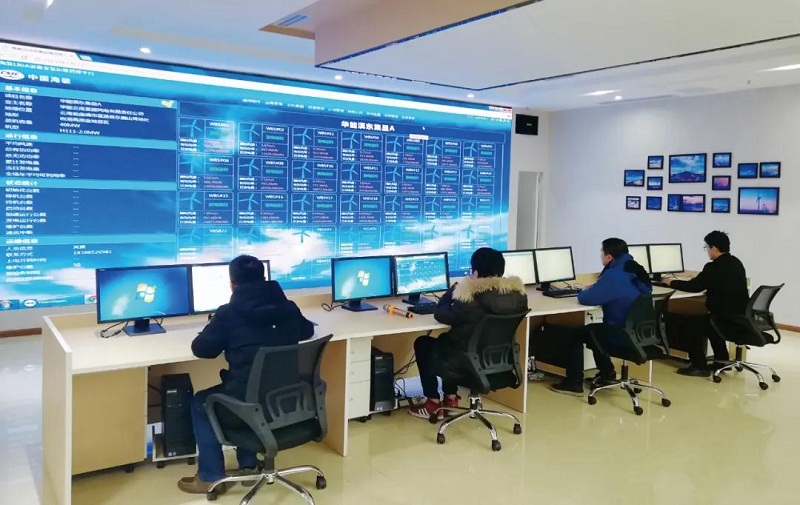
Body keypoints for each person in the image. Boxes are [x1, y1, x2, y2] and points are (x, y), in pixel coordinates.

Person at [178, 255, 315, 495]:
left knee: (201, 401)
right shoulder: (289, 307)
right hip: (284, 400)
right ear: (264, 277)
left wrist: (217, 328)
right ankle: (248, 466)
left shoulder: (228, 314)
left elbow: (201, 349)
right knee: (251, 389)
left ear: (232, 284)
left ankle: (210, 476)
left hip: (247, 405)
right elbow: (307, 331)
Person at [408, 247, 529, 419]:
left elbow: (441, 313)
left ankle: (433, 403)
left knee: (423, 343)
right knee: (446, 339)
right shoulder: (518, 295)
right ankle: (451, 399)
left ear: (476, 272)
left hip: (467, 365)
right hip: (498, 364)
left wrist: (456, 289)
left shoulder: (471, 297)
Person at [550, 238, 652, 395]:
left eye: (602, 253)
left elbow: (586, 299)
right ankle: (606, 374)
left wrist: (583, 290)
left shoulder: (615, 276)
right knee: (594, 331)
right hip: (640, 334)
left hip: (621, 334)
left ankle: (573, 382)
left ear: (609, 256)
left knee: (576, 333)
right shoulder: (635, 269)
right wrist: (598, 287)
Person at [663, 230, 748, 376]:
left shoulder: (713, 267)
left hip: (722, 319)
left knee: (689, 325)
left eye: (706, 247)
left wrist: (670, 282)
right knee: (710, 321)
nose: (707, 251)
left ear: (714, 248)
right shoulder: (736, 263)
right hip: (739, 318)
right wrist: (698, 280)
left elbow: (694, 287)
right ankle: (722, 360)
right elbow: (708, 282)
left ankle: (699, 366)